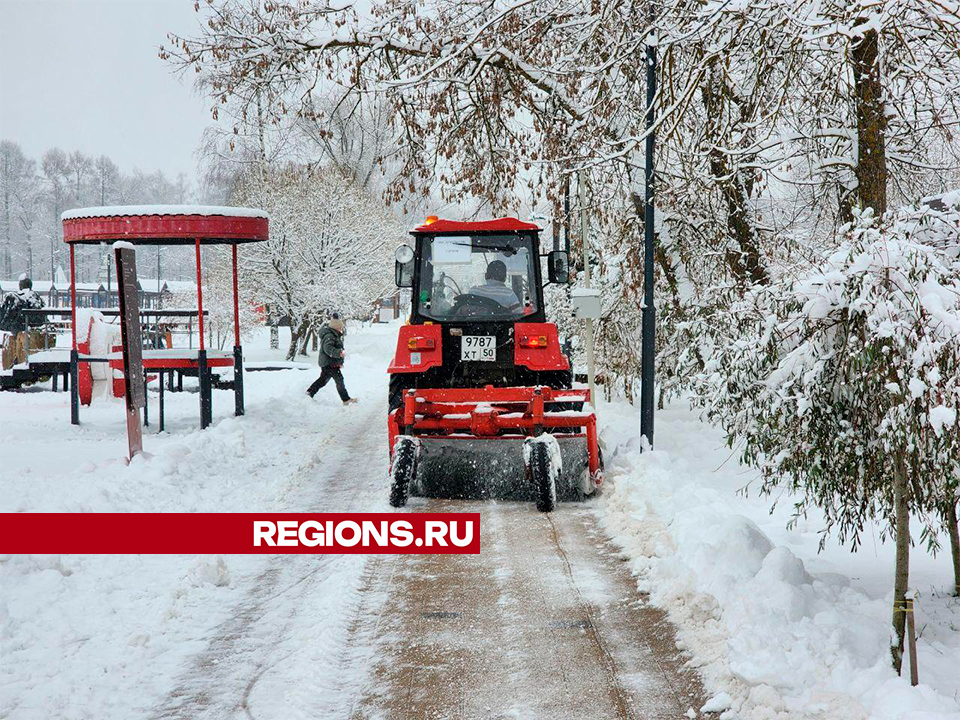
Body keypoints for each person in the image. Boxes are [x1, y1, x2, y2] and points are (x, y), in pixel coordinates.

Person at [306, 315, 357, 405]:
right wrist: (339, 353)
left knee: (322, 380)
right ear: (336, 327)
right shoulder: (330, 336)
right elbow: (327, 348)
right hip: (329, 363)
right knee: (339, 380)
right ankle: (346, 399)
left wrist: (340, 361)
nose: (342, 328)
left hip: (331, 363)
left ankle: (309, 393)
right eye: (340, 327)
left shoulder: (333, 335)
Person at [0, 275, 45, 370]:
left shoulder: (14, 297)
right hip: (35, 331)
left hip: (20, 330)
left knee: (14, 342)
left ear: (20, 286)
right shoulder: (37, 298)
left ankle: (14, 363)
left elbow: (7, 315)